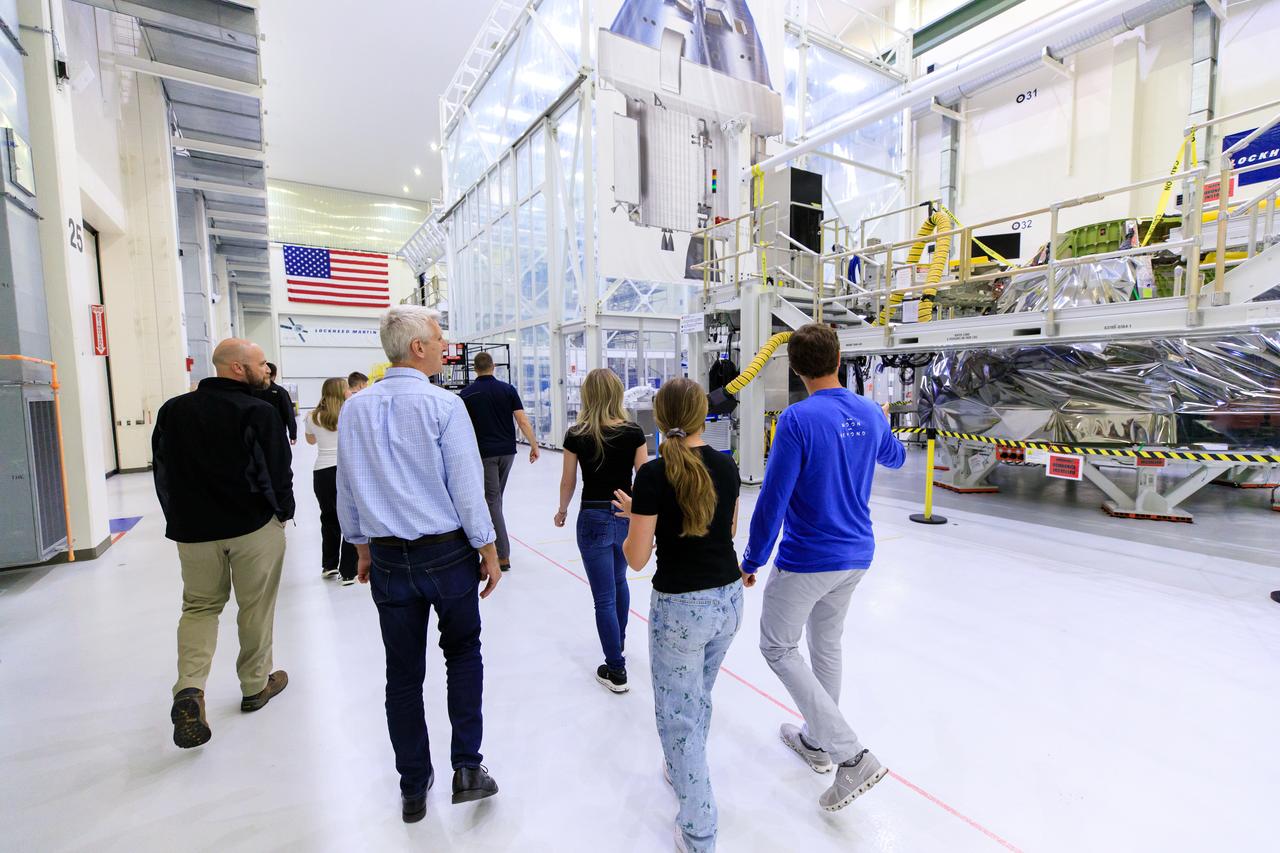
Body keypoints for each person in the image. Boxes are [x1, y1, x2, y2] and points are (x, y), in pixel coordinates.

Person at [337, 306, 503, 823]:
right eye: (437, 338)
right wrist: (489, 549)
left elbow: (347, 487)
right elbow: (466, 487)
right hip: (447, 554)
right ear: (417, 349)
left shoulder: (355, 409)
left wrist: (361, 546)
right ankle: (467, 768)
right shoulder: (443, 406)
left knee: (402, 675)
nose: (443, 345)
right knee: (463, 654)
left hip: (387, 560)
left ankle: (413, 785)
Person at [740, 323, 906, 812]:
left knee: (776, 644)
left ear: (794, 367)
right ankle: (816, 741)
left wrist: (752, 559)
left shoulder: (796, 420)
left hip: (810, 557)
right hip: (857, 553)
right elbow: (894, 458)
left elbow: (773, 498)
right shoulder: (869, 412)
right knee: (825, 644)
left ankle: (849, 753)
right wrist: (881, 423)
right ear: (838, 358)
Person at [613, 377, 742, 853]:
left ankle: (699, 830)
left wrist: (637, 519)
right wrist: (648, 515)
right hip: (727, 600)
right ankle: (680, 765)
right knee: (697, 697)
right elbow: (723, 529)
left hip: (682, 610)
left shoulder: (652, 474)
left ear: (660, 417)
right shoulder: (727, 465)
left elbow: (636, 559)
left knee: (678, 713)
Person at [152, 338, 295, 750]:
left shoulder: (173, 411)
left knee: (199, 607)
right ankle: (255, 684)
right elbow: (276, 471)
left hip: (194, 531)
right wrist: (282, 513)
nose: (264, 371)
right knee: (256, 605)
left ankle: (190, 689)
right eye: (258, 365)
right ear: (236, 368)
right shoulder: (257, 411)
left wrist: (177, 518)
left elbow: (163, 468)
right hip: (252, 527)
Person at [554, 368, 648, 693]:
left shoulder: (577, 433)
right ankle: (617, 645)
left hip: (592, 516)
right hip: (625, 514)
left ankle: (616, 669)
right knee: (620, 581)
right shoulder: (634, 432)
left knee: (604, 597)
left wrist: (562, 509)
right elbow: (645, 478)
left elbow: (569, 481)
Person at [459, 351, 539, 572]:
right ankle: (492, 544)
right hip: (507, 453)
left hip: (484, 454)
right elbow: (522, 419)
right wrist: (533, 444)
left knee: (492, 500)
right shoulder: (508, 389)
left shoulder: (467, 394)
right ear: (493, 366)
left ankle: (502, 555)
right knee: (495, 499)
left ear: (474, 369)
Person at [305, 377, 358, 585]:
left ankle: (329, 565)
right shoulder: (350, 413)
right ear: (341, 391)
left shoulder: (312, 416)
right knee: (351, 518)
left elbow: (311, 441)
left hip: (322, 471)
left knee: (328, 517)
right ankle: (348, 570)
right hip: (346, 469)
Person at [256, 362, 298, 444]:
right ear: (274, 375)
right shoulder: (281, 391)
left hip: (257, 433)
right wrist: (293, 434)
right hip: (277, 432)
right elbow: (289, 414)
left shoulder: (253, 390)